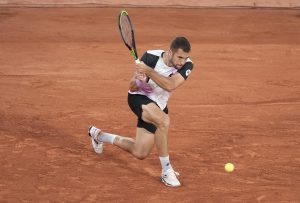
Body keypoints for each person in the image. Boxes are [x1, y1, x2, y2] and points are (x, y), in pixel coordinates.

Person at [88, 36, 194, 187]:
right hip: (138, 99)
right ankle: (166, 171)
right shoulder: (150, 57)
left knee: (140, 152)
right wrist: (139, 82)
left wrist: (149, 72)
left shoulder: (187, 65)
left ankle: (98, 135)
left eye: (185, 58)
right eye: (180, 57)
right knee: (163, 121)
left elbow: (170, 85)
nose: (182, 62)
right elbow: (132, 87)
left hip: (158, 106)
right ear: (170, 52)